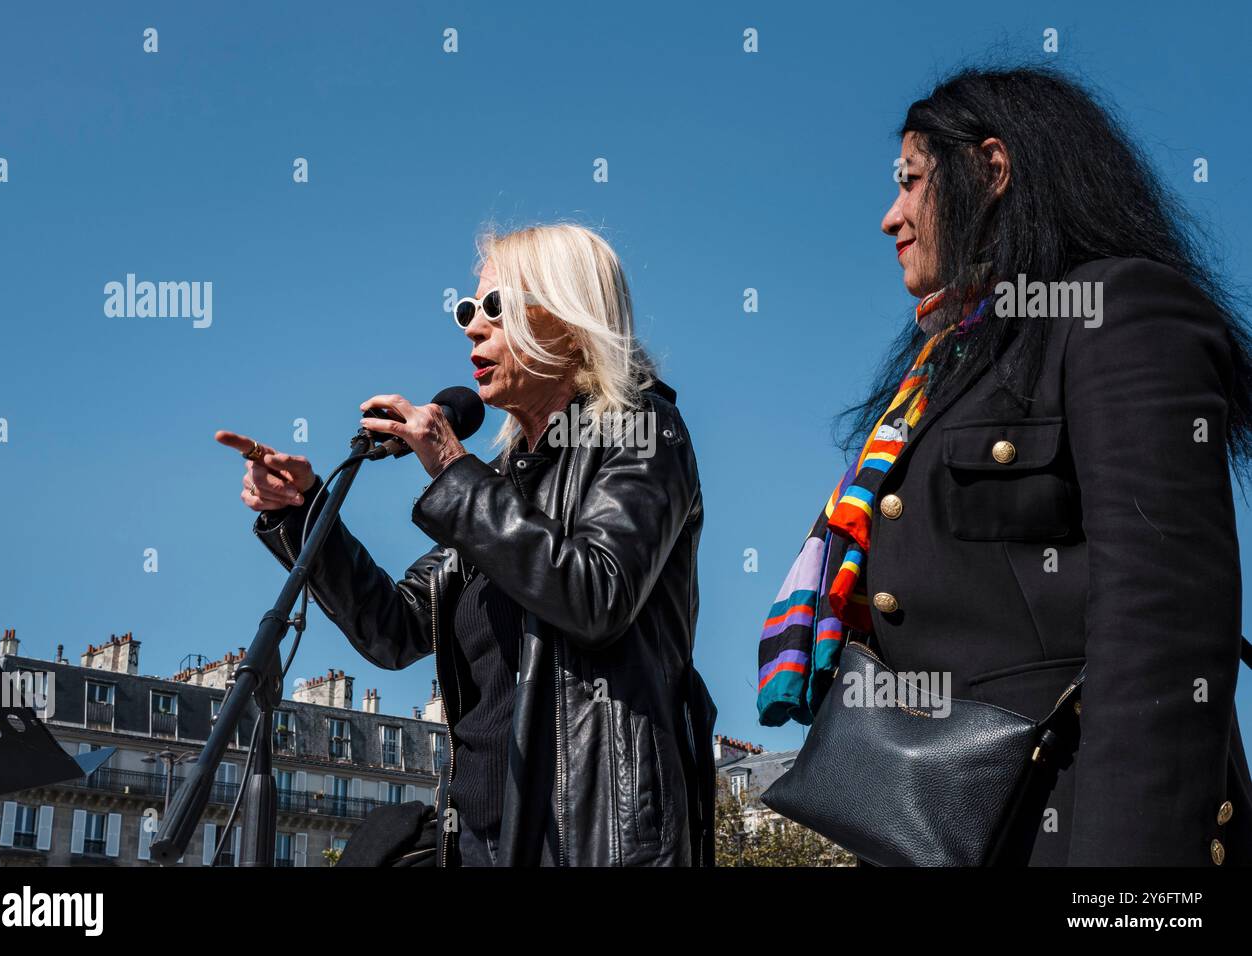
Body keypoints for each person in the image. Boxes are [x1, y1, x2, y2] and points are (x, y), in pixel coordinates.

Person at [758, 67, 1252, 865]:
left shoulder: (1117, 310)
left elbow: (1163, 630)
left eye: (911, 182)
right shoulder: (940, 372)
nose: (890, 217)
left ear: (991, 171)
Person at [218, 223, 716, 866]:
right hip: (484, 843)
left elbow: (596, 593)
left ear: (567, 319)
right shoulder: (503, 486)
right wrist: (304, 511)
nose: (472, 328)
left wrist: (455, 471)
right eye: (465, 310)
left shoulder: (645, 431)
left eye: (494, 308)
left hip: (595, 838)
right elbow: (394, 629)